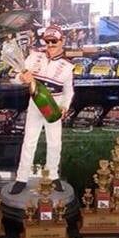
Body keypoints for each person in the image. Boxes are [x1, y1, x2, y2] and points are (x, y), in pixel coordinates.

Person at [10, 25, 74, 195]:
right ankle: (21, 178)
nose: (50, 44)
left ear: (62, 41)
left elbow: (69, 91)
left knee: (55, 142)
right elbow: (14, 78)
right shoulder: (34, 57)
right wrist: (21, 77)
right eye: (47, 41)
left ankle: (53, 175)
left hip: (54, 105)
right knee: (29, 141)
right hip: (35, 104)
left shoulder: (68, 66)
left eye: (54, 41)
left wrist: (65, 106)